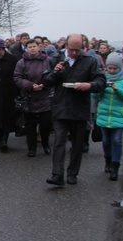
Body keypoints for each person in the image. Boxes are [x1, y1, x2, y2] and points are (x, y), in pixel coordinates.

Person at [42, 33, 106, 186]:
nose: (74, 53)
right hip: (60, 106)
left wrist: (89, 85)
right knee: (59, 142)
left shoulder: (90, 61)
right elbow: (46, 81)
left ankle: (72, 173)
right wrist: (55, 73)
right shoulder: (55, 59)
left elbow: (101, 81)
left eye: (78, 50)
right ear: (66, 46)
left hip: (80, 108)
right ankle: (57, 174)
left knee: (77, 144)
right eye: (72, 50)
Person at [94, 53, 123, 181]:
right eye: (109, 68)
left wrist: (118, 89)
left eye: (114, 69)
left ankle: (115, 166)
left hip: (119, 116)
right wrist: (100, 89)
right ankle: (108, 160)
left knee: (116, 141)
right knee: (106, 141)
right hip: (104, 115)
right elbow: (94, 96)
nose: (111, 71)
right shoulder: (103, 78)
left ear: (120, 68)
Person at [14, 39, 52, 157]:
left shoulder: (48, 61)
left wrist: (44, 84)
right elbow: (17, 77)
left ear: (38, 47)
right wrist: (30, 85)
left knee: (45, 124)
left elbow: (54, 75)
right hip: (29, 97)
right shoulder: (22, 62)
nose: (32, 49)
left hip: (44, 96)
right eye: (29, 47)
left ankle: (46, 144)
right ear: (26, 48)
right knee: (30, 125)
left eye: (34, 46)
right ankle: (31, 148)